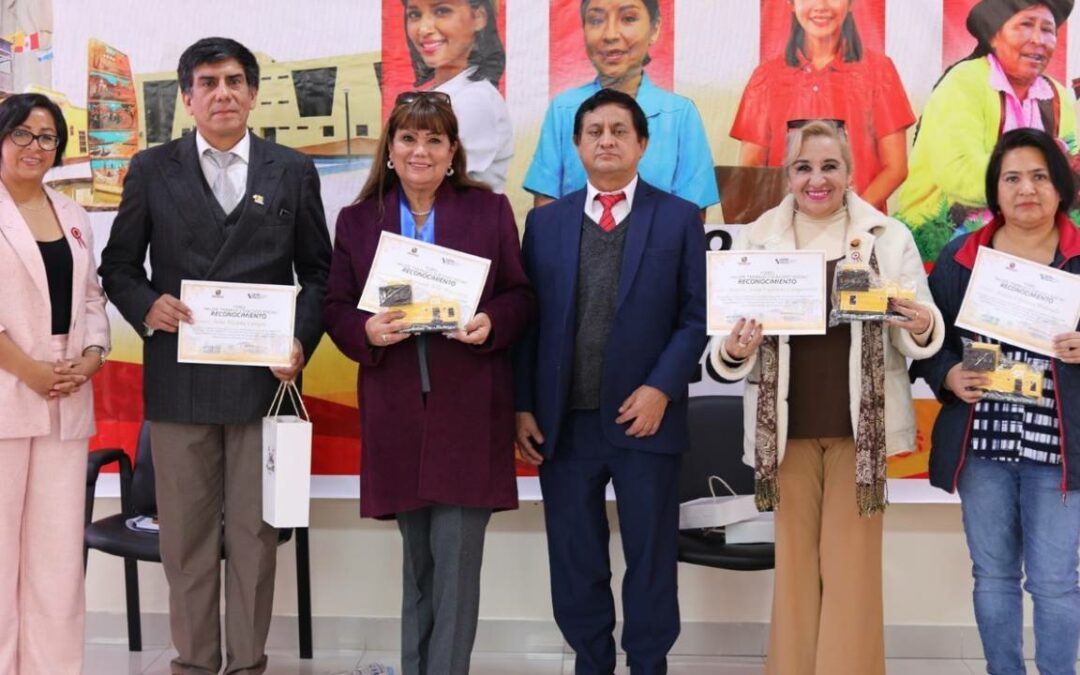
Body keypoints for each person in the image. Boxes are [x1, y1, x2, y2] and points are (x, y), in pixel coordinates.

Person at [98, 38, 331, 675]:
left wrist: (300, 342)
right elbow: (117, 266)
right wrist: (148, 305)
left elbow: (318, 273)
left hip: (264, 381)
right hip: (180, 382)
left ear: (254, 94)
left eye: (234, 81)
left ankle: (249, 664)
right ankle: (196, 665)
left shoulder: (292, 169)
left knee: (256, 540)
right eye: (208, 82)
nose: (222, 93)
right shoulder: (151, 169)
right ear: (187, 98)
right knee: (188, 543)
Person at [709, 120, 944, 675]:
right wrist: (738, 348)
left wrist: (917, 319)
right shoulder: (756, 236)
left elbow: (920, 335)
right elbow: (725, 348)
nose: (817, 179)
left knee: (853, 573)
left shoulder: (888, 236)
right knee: (793, 572)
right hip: (783, 435)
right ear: (787, 174)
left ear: (850, 173)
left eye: (829, 166)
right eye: (803, 167)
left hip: (860, 435)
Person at [323, 91, 534, 675]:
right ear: (390, 149)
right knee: (418, 570)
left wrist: (493, 322)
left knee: (458, 571)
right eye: (409, 138)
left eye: (434, 139)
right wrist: (364, 329)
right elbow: (335, 306)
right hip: (396, 416)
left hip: (470, 415)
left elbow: (521, 297)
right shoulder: (360, 221)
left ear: (452, 152)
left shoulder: (488, 212)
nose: (421, 150)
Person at [515, 88, 707, 675]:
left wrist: (661, 389)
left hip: (645, 420)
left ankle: (648, 665)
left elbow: (696, 316)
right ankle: (591, 663)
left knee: (650, 560)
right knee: (576, 561)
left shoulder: (677, 218)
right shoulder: (544, 224)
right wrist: (523, 406)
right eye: (593, 130)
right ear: (575, 145)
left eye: (619, 131)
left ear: (642, 144)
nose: (606, 140)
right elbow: (527, 322)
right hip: (562, 425)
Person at [911, 127, 1080, 675]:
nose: (1025, 189)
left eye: (1038, 176)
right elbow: (925, 342)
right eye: (1012, 178)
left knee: (1055, 582)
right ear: (995, 189)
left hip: (1059, 451)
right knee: (993, 575)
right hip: (981, 445)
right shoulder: (962, 256)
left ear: (1060, 187)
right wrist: (948, 374)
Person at [0, 93, 109, 675]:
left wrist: (92, 355)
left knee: (56, 560)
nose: (34, 147)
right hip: (8, 393)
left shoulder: (72, 213)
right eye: (21, 133)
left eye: (47, 138)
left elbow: (92, 297)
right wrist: (29, 370)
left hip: (67, 396)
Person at [896, 0, 1076, 264]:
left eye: (1048, 29)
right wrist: (1045, 183)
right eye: (1026, 25)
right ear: (994, 35)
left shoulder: (1057, 95)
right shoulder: (964, 82)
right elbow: (960, 175)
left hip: (1031, 244)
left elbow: (1071, 173)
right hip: (946, 241)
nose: (1038, 39)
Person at [523, 0, 719, 213]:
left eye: (628, 19)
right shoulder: (563, 110)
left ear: (654, 28)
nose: (610, 35)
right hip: (577, 245)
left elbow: (692, 216)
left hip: (657, 246)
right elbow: (546, 211)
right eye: (596, 20)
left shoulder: (680, 115)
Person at [731, 0, 916, 212]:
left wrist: (851, 217)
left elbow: (895, 168)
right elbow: (750, 170)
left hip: (859, 233)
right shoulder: (765, 77)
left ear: (850, 4)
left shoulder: (880, 71)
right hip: (784, 234)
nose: (820, 6)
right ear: (791, 4)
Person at [401, 0, 513, 192]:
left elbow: (428, 190)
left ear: (479, 16)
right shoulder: (440, 95)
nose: (424, 29)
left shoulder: (475, 100)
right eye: (414, 15)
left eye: (442, 11)